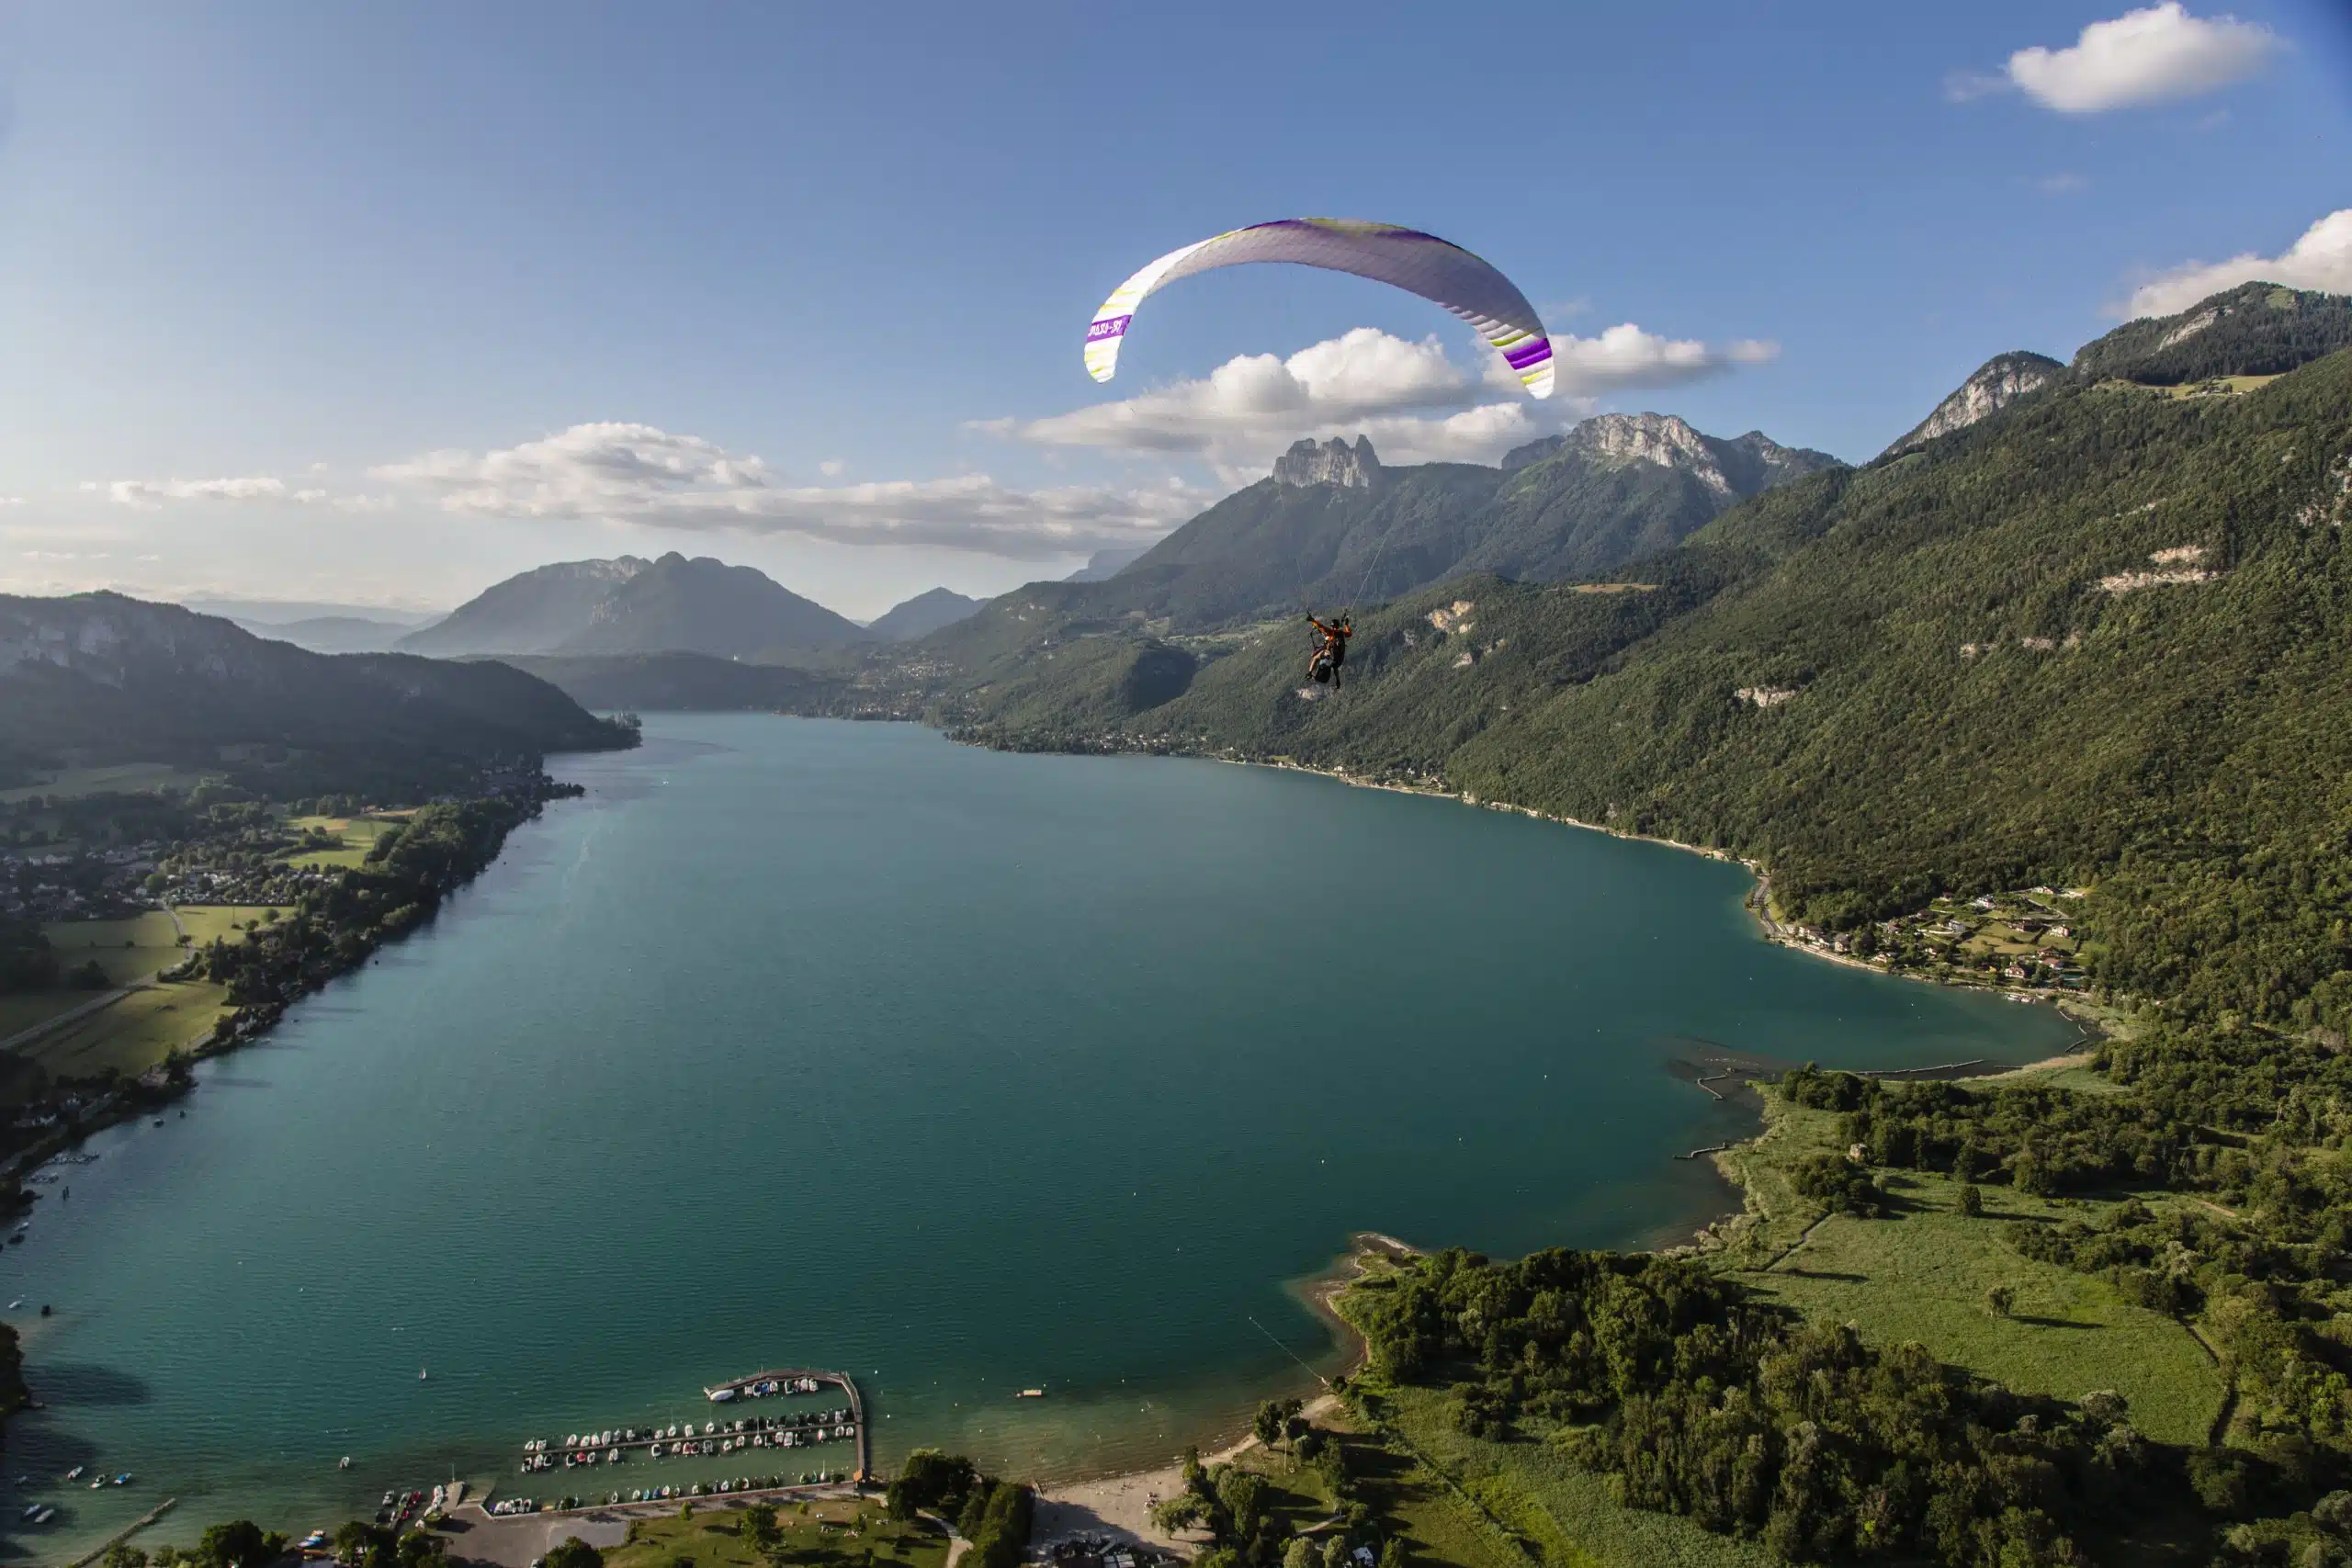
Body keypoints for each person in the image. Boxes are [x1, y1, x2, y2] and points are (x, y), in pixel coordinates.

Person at [1306, 612, 1352, 686]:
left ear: (1332, 627)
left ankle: (1309, 673)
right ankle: (1315, 673)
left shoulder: (1332, 632)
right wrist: (1346, 625)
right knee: (1333, 664)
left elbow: (1322, 627)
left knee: (1315, 657)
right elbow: (1349, 633)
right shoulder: (1342, 633)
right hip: (1338, 659)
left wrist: (1312, 620)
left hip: (1330, 654)